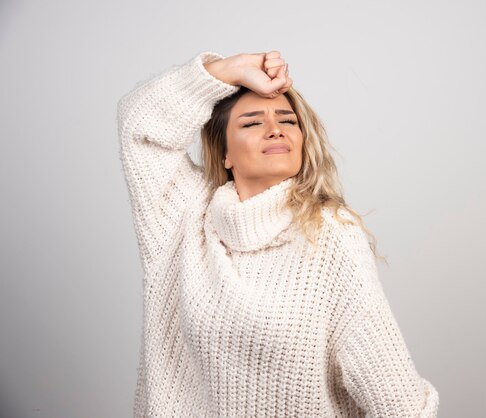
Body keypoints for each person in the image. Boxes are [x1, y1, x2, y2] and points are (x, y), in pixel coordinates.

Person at [117, 49, 439, 417]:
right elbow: (139, 127)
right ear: (225, 154)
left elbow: (397, 398)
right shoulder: (184, 218)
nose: (275, 129)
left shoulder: (330, 233)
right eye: (252, 123)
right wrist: (228, 71)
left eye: (287, 120)